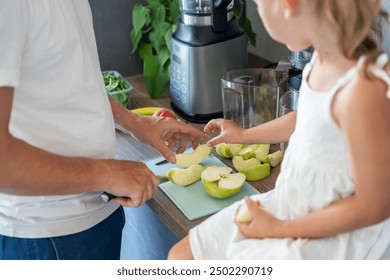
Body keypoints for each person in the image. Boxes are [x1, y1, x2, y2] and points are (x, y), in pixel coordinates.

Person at [168, 0, 390, 259]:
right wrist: (244, 135)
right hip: (293, 201)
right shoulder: (321, 59)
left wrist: (279, 228)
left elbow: (375, 205)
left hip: (333, 233)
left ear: (288, 5)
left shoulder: (362, 91)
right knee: (181, 256)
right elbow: (308, 118)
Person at [0, 0, 208, 260]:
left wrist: (135, 122)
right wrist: (108, 173)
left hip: (96, 213)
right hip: (47, 235)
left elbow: (69, 76)